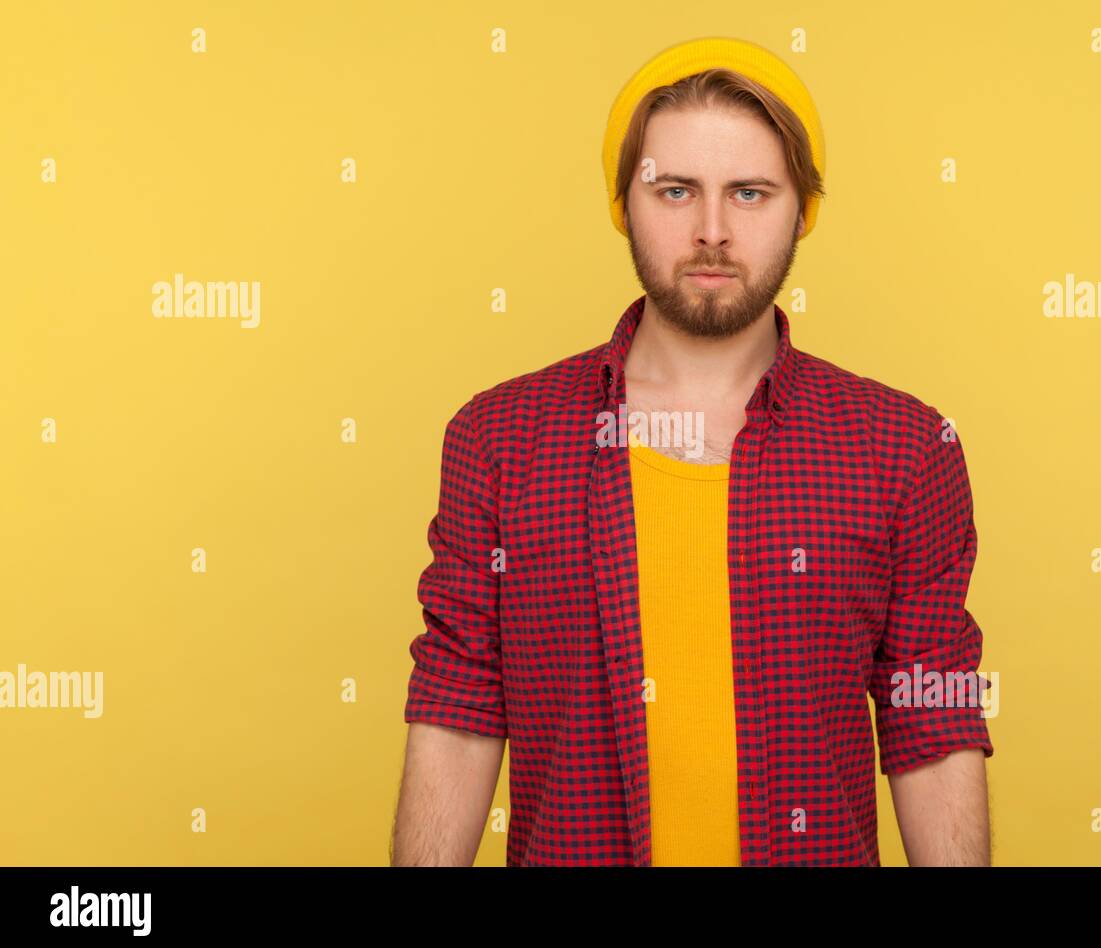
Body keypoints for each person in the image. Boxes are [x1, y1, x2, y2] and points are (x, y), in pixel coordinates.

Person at [392, 36, 994, 867]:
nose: (711, 231)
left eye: (750, 193)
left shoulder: (905, 446)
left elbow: (932, 719)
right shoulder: (500, 439)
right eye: (675, 191)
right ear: (623, 205)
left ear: (802, 210)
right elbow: (459, 709)